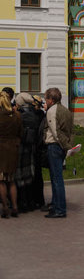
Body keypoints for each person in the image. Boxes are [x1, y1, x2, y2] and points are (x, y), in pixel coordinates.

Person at [42, 87, 73, 219]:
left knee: (56, 179)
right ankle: (56, 205)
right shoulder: (66, 110)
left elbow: (55, 132)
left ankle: (60, 209)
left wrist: (64, 146)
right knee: (57, 178)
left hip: (55, 146)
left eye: (46, 98)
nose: (45, 101)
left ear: (51, 99)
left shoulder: (52, 111)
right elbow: (69, 131)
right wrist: (68, 146)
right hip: (61, 146)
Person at [14, 93, 40, 212]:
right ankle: (31, 202)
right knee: (29, 176)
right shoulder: (34, 115)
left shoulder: (19, 116)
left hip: (21, 148)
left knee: (20, 177)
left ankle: (22, 203)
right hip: (31, 148)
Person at [0, 90, 22, 218]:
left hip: (1, 150)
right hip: (13, 149)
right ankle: (15, 207)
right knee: (11, 180)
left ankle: (5, 207)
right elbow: (21, 133)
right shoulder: (17, 115)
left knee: (1, 180)